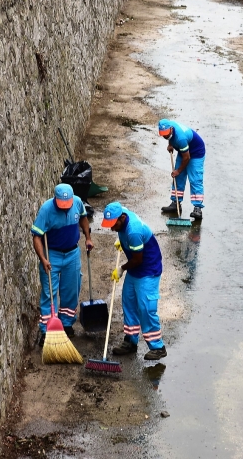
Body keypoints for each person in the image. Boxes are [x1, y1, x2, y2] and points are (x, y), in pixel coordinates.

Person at [102, 202, 167, 360]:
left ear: (122, 218)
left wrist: (122, 268)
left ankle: (157, 346)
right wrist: (122, 241)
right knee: (128, 302)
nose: (111, 228)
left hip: (147, 269)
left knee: (146, 307)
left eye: (113, 225)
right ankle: (130, 341)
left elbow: (138, 260)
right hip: (135, 266)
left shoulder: (134, 231)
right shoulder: (121, 212)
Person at [31, 183, 92, 344]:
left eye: (67, 205)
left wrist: (88, 237)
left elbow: (84, 218)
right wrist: (43, 259)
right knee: (49, 292)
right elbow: (37, 236)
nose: (65, 208)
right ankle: (46, 329)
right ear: (55, 199)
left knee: (71, 289)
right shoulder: (46, 210)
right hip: (52, 254)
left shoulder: (77, 202)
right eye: (61, 205)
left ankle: (66, 324)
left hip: (72, 253)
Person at [158, 119, 206, 220]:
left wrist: (179, 170)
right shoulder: (168, 126)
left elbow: (187, 158)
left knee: (195, 179)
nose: (165, 136)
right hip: (183, 151)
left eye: (166, 134)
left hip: (196, 152)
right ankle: (176, 203)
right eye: (163, 135)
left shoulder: (181, 138)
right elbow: (170, 136)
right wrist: (170, 144)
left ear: (171, 129)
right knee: (178, 177)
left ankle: (197, 208)